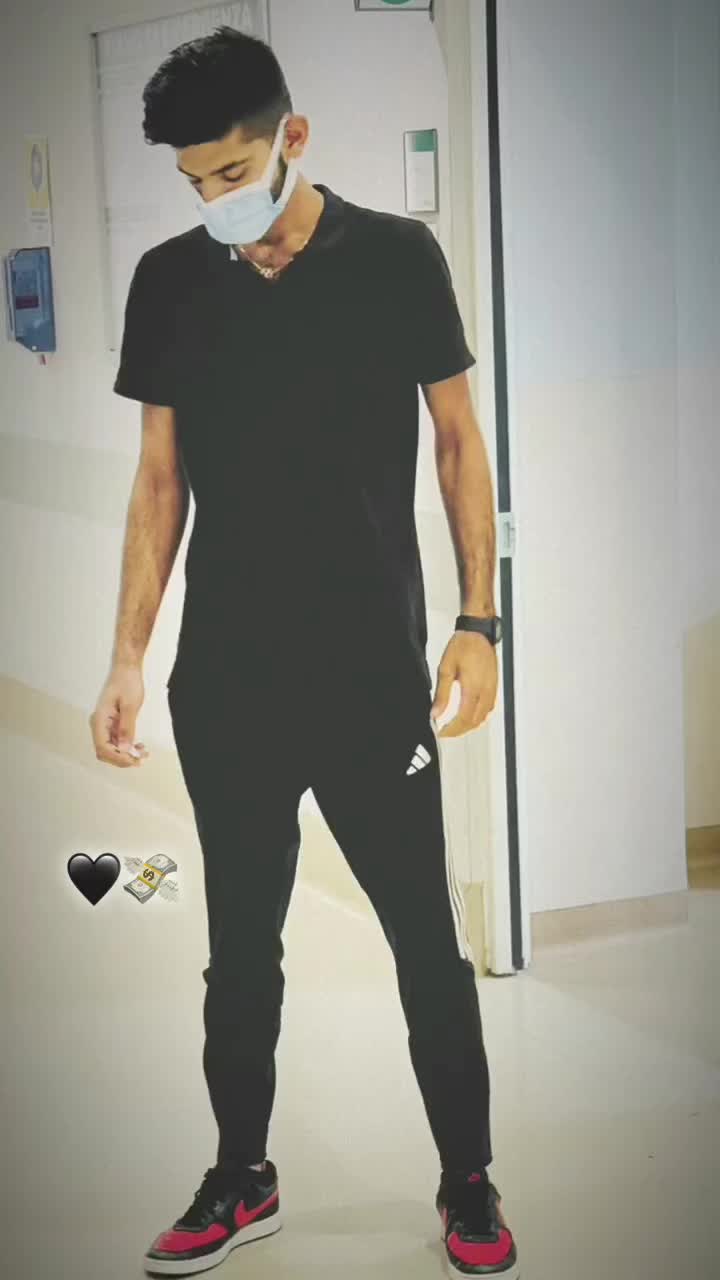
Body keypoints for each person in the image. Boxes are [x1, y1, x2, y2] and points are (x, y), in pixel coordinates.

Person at [89, 25, 519, 1280]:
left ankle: (469, 1176)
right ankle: (243, 1174)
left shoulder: (395, 258)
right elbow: (159, 478)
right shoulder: (170, 281)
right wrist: (127, 656)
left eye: (233, 171)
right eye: (195, 182)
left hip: (368, 672)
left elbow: (458, 440)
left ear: (293, 136)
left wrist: (479, 620)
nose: (216, 199)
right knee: (240, 949)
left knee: (425, 942)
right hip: (228, 679)